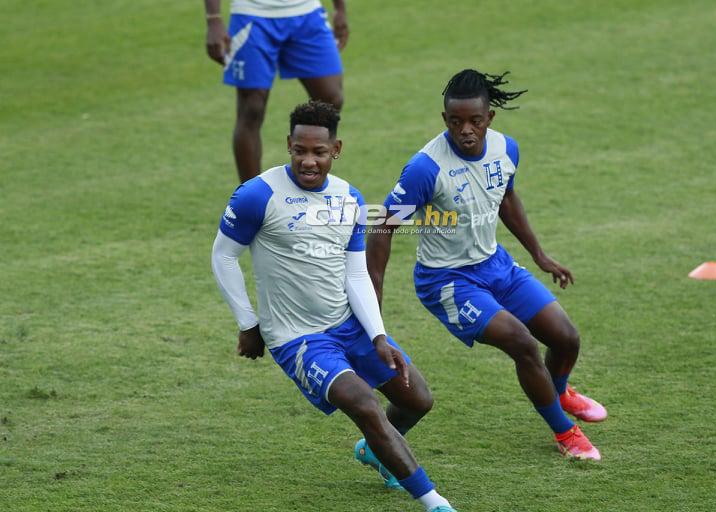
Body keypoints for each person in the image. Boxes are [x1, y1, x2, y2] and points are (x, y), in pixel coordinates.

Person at [211, 101, 457, 512]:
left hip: (346, 324)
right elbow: (222, 256)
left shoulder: (349, 199)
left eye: (319, 152)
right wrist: (248, 324)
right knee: (365, 405)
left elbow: (356, 274)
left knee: (418, 399)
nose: (309, 161)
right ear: (288, 145)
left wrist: (378, 336)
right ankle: (435, 502)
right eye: (300, 151)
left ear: (336, 149)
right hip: (297, 338)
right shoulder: (259, 194)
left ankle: (377, 451)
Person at [366, 69, 607, 461]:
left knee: (566, 338)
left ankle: (559, 392)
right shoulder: (426, 169)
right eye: (455, 121)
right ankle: (567, 435)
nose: (466, 130)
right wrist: (375, 313)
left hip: (496, 266)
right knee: (523, 344)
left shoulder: (506, 149)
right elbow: (382, 228)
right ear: (445, 119)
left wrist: (539, 255)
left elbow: (506, 198)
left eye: (475, 121)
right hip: (447, 281)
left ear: (489, 117)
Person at [204, 0, 348, 182]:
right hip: (252, 13)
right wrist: (213, 18)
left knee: (331, 97)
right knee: (251, 108)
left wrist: (340, 9)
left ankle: (314, 182)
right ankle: (251, 199)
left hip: (307, 11)